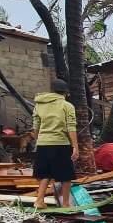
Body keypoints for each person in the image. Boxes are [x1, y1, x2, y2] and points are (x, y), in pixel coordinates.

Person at [32, 79, 78, 209]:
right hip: (60, 143)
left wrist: (39, 140)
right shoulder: (67, 106)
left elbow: (35, 127)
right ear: (65, 93)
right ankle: (65, 204)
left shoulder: (38, 105)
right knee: (66, 175)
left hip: (42, 144)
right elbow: (71, 127)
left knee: (45, 173)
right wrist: (75, 146)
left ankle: (39, 201)